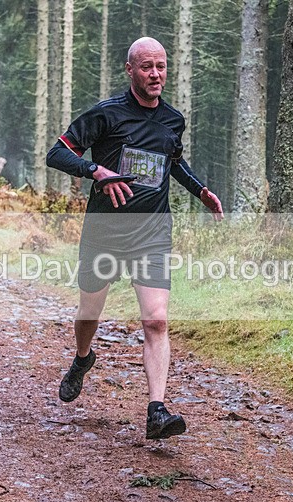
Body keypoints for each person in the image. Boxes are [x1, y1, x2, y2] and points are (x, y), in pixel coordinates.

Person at [46, 36, 223, 440]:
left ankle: (156, 411)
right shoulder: (106, 114)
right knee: (89, 313)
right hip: (104, 232)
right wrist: (96, 171)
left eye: (161, 66)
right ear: (130, 70)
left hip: (152, 233)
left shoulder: (173, 120)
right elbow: (57, 152)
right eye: (147, 67)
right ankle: (82, 358)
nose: (155, 74)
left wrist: (200, 191)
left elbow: (173, 162)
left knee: (156, 320)